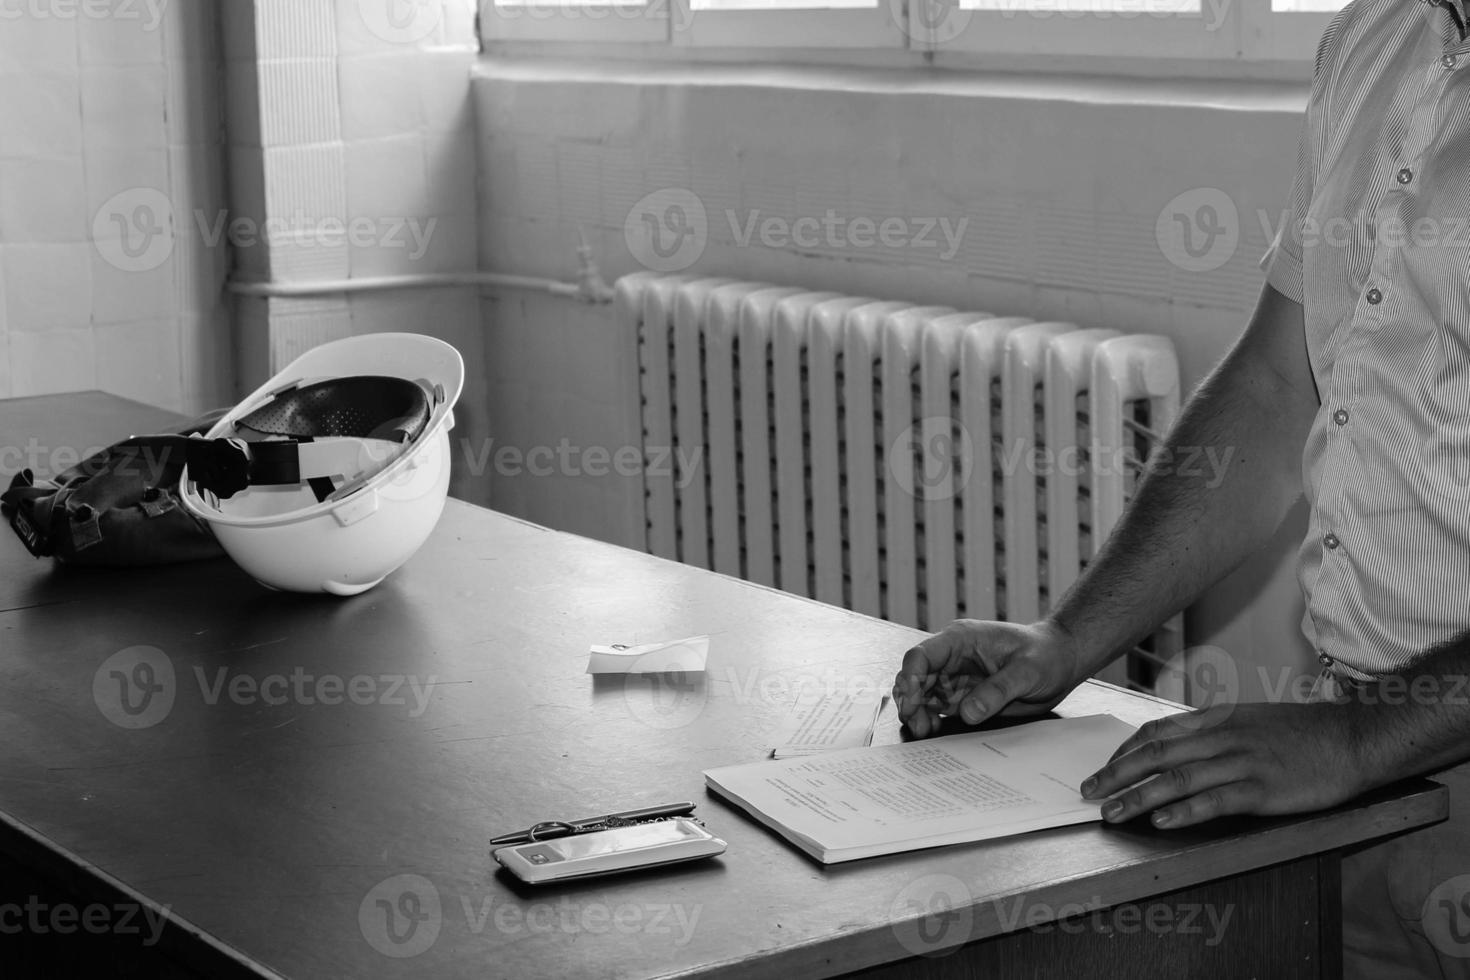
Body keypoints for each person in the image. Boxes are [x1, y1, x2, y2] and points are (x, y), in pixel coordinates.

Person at [893, 0, 1470, 974]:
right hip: (1355, 770)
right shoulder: (1378, 34)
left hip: (1373, 744)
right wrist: (1069, 637)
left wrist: (1362, 736)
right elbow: (1277, 388)